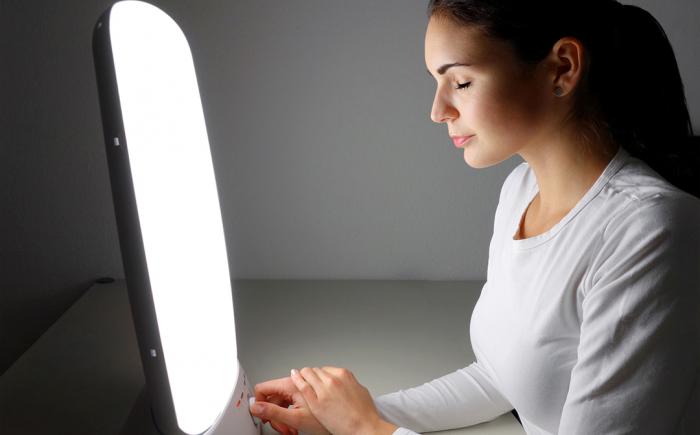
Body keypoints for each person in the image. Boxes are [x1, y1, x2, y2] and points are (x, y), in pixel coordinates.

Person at [249, 0, 700, 434]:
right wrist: (348, 415)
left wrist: (369, 429)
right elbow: (499, 377)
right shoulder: (520, 191)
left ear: (562, 68)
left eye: (460, 82)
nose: (437, 110)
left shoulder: (649, 230)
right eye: (436, 82)